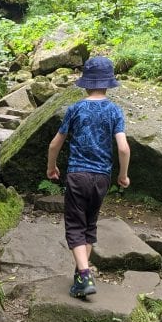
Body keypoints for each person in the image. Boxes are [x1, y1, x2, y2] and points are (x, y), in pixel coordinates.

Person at [46, 55, 130, 298]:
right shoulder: (115, 111)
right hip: (102, 177)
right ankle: (80, 275)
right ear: (108, 83)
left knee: (74, 225)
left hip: (77, 175)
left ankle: (84, 274)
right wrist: (123, 175)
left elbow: (55, 144)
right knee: (89, 225)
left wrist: (51, 167)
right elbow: (123, 148)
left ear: (85, 83)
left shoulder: (76, 109)